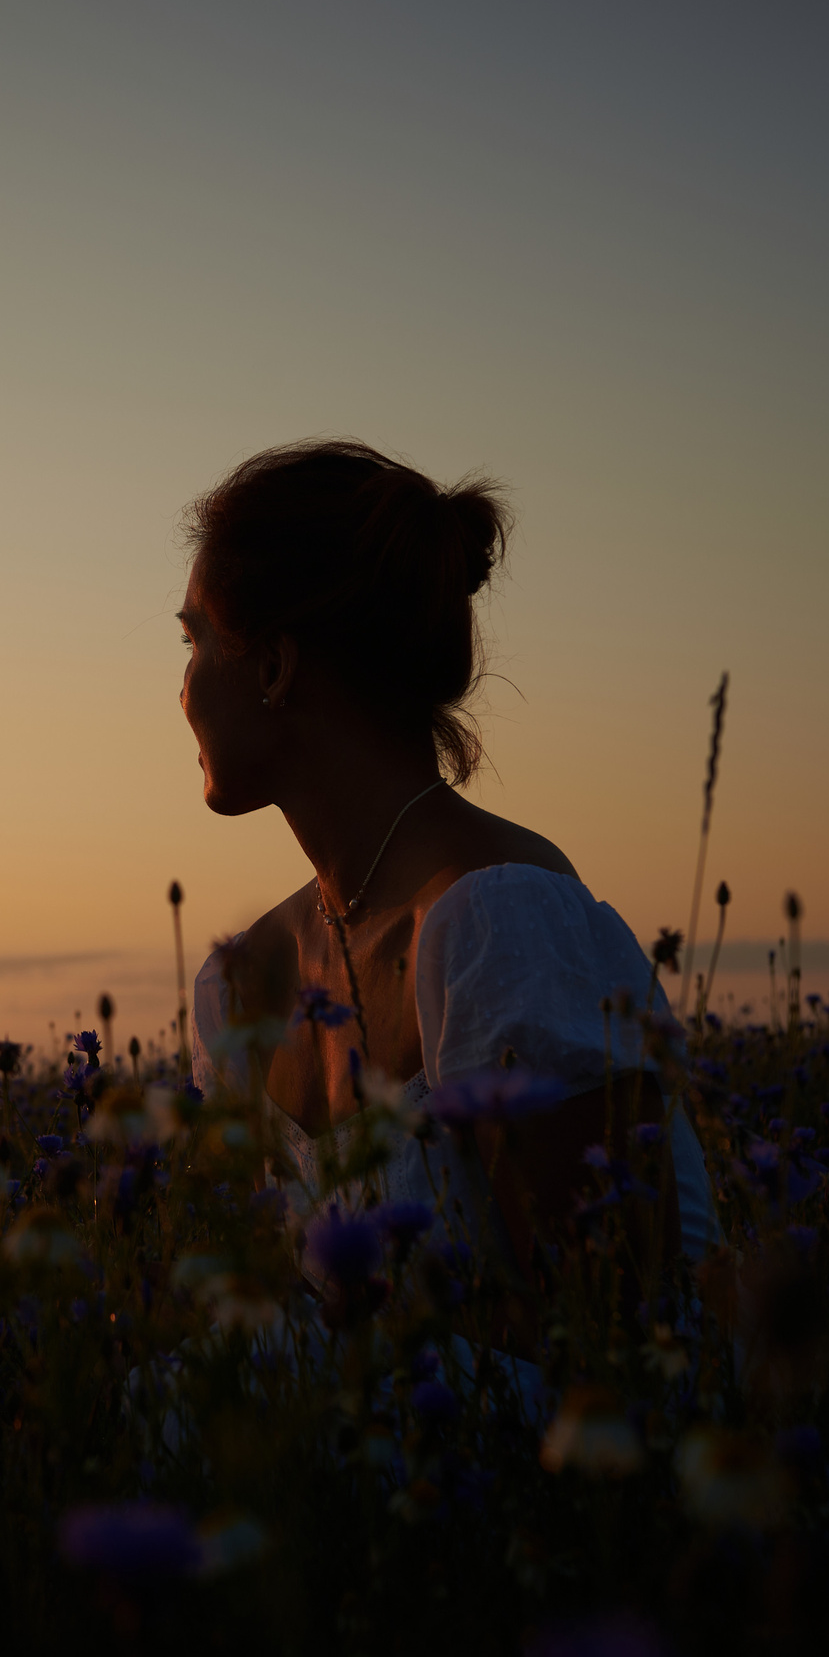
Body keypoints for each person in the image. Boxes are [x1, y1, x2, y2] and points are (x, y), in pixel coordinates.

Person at [177, 439, 716, 1365]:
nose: (180, 687)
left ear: (271, 667)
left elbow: (610, 1328)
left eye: (194, 640)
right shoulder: (244, 979)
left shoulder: (494, 922)